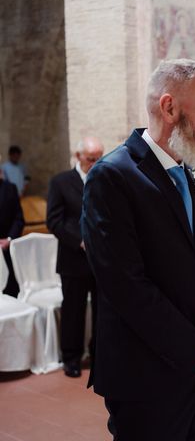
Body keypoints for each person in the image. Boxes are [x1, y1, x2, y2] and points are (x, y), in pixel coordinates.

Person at [80, 59, 195, 441]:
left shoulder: (194, 174)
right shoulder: (112, 176)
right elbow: (127, 287)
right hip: (147, 379)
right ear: (169, 108)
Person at [46, 136, 104, 378]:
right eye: (91, 158)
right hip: (73, 259)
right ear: (78, 156)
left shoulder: (105, 178)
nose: (95, 162)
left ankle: (98, 355)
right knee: (73, 311)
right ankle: (71, 358)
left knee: (102, 311)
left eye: (99, 157)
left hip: (101, 260)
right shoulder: (61, 182)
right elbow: (54, 220)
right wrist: (80, 240)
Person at [0, 162, 25, 297]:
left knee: (10, 293)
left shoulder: (10, 188)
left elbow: (18, 218)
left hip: (6, 249)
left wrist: (9, 239)